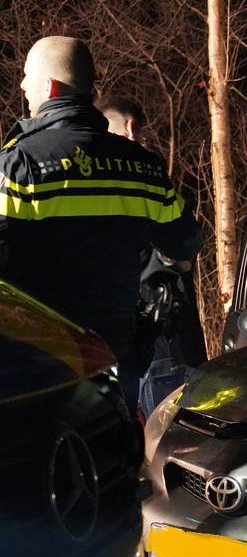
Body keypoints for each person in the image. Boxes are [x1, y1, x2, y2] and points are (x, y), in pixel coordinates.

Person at [0, 37, 199, 409]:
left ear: (50, 86)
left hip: (42, 364)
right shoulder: (143, 166)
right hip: (118, 357)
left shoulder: (18, 166)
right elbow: (185, 243)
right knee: (116, 448)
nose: (22, 86)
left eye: (27, 77)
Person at [97, 94, 208, 414]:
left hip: (108, 333)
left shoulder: (83, 171)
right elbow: (185, 243)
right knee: (174, 419)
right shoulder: (145, 169)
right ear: (132, 127)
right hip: (160, 328)